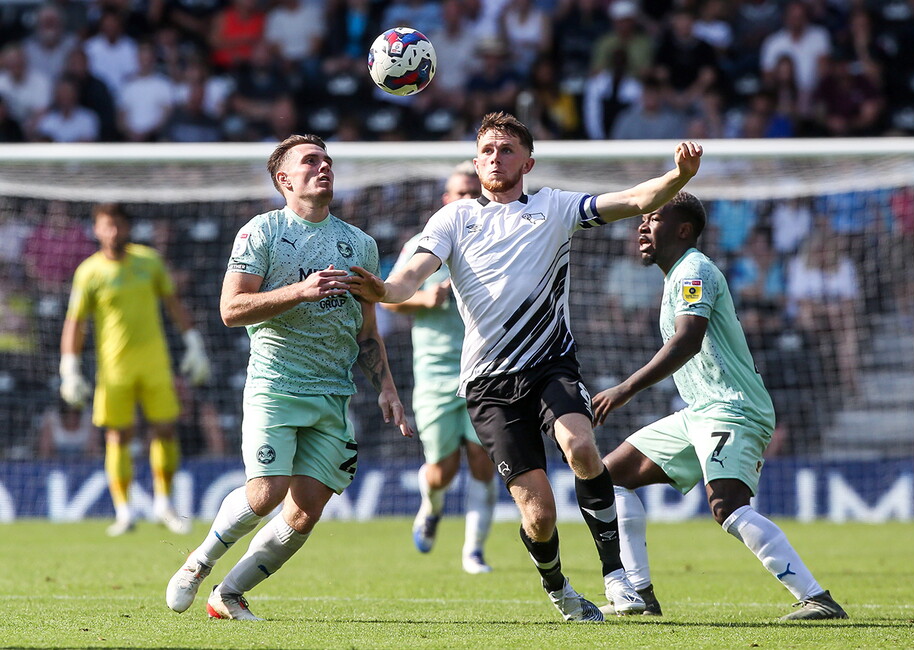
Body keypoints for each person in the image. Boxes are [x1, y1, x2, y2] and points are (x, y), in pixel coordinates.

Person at [346, 112, 702, 622]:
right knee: (539, 515)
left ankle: (616, 575)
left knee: (582, 448)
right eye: (487, 150)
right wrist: (382, 289)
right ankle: (559, 588)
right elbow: (407, 279)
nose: (496, 158)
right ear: (476, 163)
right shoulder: (453, 219)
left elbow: (633, 200)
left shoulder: (555, 207)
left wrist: (678, 177)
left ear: (527, 163)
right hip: (488, 383)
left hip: (551, 364)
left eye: (507, 149)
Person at [165, 134, 412, 621]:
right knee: (266, 493)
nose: (324, 167)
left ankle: (228, 594)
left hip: (333, 393)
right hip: (276, 384)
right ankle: (199, 563)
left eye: (327, 160)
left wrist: (387, 387)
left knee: (304, 512)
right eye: (310, 161)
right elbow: (231, 309)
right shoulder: (261, 231)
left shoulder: (359, 243)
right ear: (284, 179)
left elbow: (366, 330)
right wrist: (299, 291)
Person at [591, 191, 848, 621]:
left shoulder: (694, 270)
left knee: (727, 506)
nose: (642, 226)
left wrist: (626, 389)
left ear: (683, 230)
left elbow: (687, 341)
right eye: (642, 219)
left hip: (732, 407)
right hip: (700, 410)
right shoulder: (677, 275)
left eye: (653, 218)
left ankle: (817, 598)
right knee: (610, 477)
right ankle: (639, 595)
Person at [59, 203, 212, 536]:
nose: (113, 232)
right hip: (113, 368)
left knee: (165, 430)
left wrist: (194, 343)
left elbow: (173, 303)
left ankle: (164, 504)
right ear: (97, 230)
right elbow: (76, 321)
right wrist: (69, 366)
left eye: (118, 225)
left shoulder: (149, 261)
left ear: (127, 228)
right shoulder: (88, 272)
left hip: (155, 362)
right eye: (106, 225)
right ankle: (124, 512)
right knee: (117, 435)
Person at [382, 163, 498, 575]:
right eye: (459, 193)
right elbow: (389, 298)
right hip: (435, 371)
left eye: (473, 192)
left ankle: (474, 551)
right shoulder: (422, 243)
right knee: (442, 470)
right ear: (446, 200)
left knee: (483, 460)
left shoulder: (498, 240)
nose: (466, 199)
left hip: (486, 368)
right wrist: (425, 299)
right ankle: (430, 509)